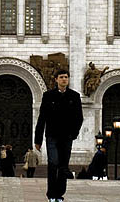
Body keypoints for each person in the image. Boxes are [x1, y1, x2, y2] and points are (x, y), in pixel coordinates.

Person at [34, 68, 83, 202]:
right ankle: (51, 194)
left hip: (67, 137)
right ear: (56, 79)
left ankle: (59, 194)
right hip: (52, 136)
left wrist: (74, 133)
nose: (64, 79)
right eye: (61, 77)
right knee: (53, 162)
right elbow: (42, 118)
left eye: (66, 77)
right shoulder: (48, 96)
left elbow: (79, 117)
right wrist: (38, 140)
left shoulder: (74, 96)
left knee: (63, 165)